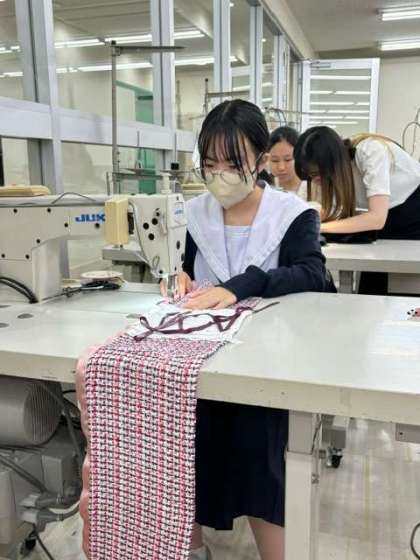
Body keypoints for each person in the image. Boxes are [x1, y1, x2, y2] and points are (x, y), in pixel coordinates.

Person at [162, 99, 334, 560]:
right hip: (202, 357)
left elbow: (312, 274)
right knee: (183, 451)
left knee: (262, 466)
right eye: (210, 164)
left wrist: (244, 284)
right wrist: (178, 279)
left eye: (232, 163)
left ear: (261, 160)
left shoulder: (292, 214)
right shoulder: (195, 214)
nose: (219, 175)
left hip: (268, 361)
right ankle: (192, 546)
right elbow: (182, 267)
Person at [294, 126, 420, 294]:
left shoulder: (370, 151)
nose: (315, 179)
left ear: (332, 162)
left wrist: (319, 227)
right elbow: (330, 212)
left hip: (413, 210)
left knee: (400, 282)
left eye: (317, 173)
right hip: (388, 215)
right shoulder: (334, 173)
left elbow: (376, 219)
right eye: (309, 175)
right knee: (371, 284)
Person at [267, 126, 307, 198]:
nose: (281, 167)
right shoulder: (266, 187)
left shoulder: (312, 188)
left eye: (288, 160)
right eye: (275, 160)